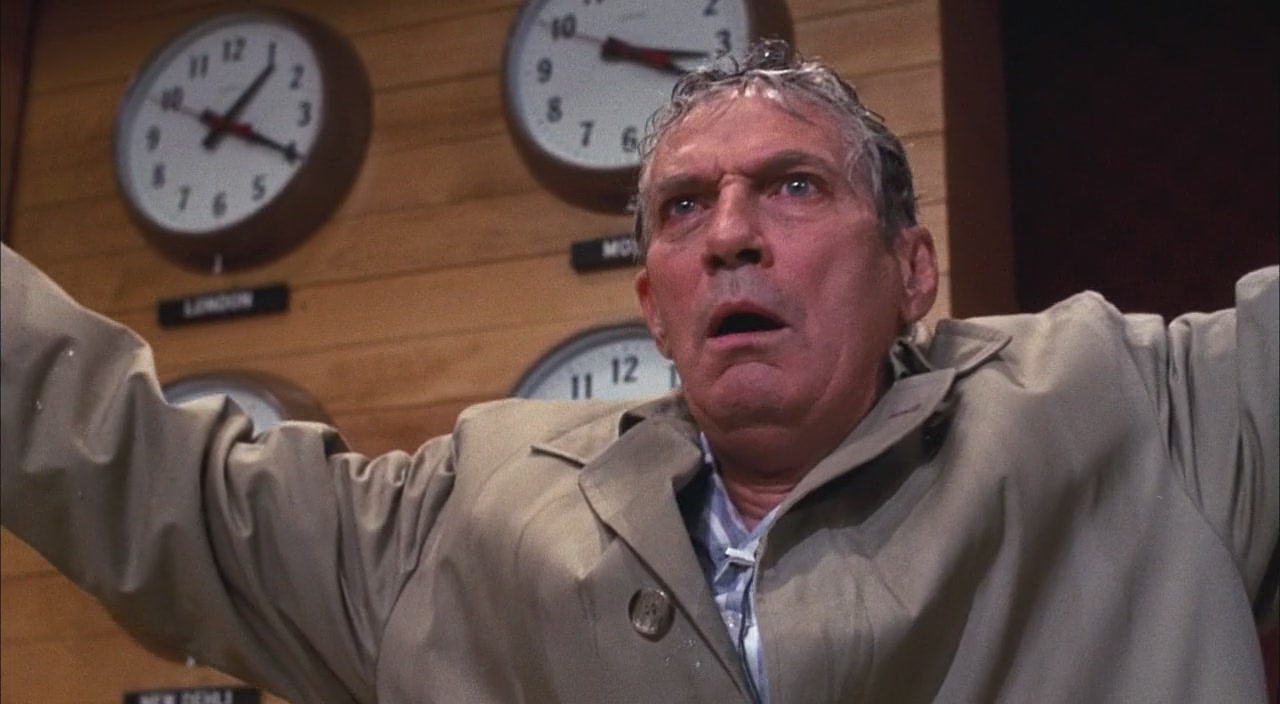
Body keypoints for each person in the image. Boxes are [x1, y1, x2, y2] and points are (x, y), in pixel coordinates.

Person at [1, 40, 1275, 704]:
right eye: (682, 207)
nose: (729, 233)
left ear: (910, 268)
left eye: (792, 185)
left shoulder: (1128, 407)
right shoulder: (469, 513)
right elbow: (135, 466)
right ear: (651, 306)